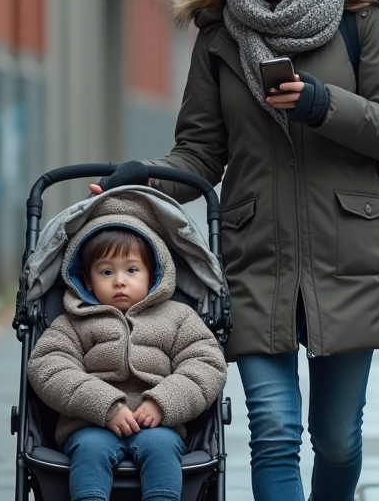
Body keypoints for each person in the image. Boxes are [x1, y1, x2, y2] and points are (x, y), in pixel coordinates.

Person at [92, 0, 379, 501]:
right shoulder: (219, 35)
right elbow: (199, 152)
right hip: (255, 257)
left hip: (347, 254)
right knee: (273, 432)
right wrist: (141, 181)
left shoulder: (359, 20)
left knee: (338, 440)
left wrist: (321, 104)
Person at [27, 195, 228, 501]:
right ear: (88, 280)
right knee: (90, 449)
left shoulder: (178, 317)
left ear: (154, 272)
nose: (119, 281)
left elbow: (206, 363)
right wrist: (104, 406)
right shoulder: (73, 322)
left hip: (159, 424)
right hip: (90, 423)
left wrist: (163, 402)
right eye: (107, 272)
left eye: (132, 270)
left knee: (161, 447)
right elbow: (48, 367)